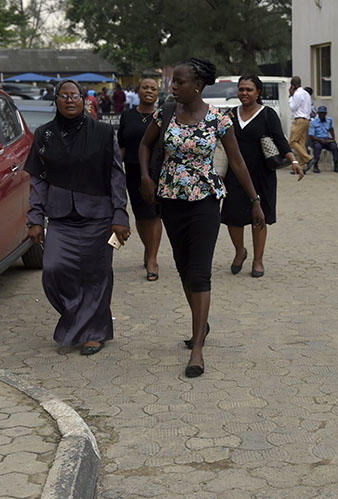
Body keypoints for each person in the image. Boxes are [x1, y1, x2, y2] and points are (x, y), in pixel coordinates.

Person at [138, 58, 264, 378]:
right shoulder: (165, 113)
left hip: (206, 201)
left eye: (179, 82)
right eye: (173, 82)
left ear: (197, 85)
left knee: (200, 272)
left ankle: (197, 347)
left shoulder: (219, 120)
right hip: (170, 200)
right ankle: (201, 322)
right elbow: (144, 145)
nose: (173, 87)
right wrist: (145, 177)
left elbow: (236, 163)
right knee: (183, 270)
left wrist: (255, 201)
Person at [24, 79, 130, 356]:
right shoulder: (44, 135)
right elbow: (38, 179)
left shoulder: (103, 133)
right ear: (56, 100)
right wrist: (35, 217)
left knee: (97, 275)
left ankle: (95, 333)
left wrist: (121, 214)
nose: (70, 100)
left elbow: (116, 176)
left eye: (75, 96)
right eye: (64, 96)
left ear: (84, 100)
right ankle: (78, 320)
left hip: (99, 217)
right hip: (60, 218)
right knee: (54, 270)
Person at [221, 75, 304, 279]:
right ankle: (240, 251)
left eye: (249, 90)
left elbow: (280, 140)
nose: (244, 93)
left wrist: (293, 161)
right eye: (241, 89)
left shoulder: (268, 114)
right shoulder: (230, 114)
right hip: (235, 174)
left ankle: (258, 260)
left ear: (258, 92)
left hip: (262, 174)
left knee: (259, 216)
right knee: (233, 217)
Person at [117, 78, 163, 281]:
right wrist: (116, 171)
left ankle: (152, 258)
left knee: (154, 214)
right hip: (133, 171)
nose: (149, 91)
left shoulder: (163, 116)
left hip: (156, 172)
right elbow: (122, 146)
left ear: (157, 93)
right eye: (145, 87)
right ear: (138, 91)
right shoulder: (127, 116)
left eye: (153, 88)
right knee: (141, 215)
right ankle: (148, 249)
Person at [288, 76, 313, 170]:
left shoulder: (297, 94)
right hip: (306, 119)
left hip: (300, 120)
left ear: (293, 86)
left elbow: (293, 107)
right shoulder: (306, 93)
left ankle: (308, 158)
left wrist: (290, 96)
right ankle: (302, 167)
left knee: (292, 142)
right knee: (300, 143)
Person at [308, 105, 338, 173]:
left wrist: (333, 138)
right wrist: (320, 140)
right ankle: (316, 166)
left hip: (326, 139)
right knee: (317, 147)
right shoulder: (313, 122)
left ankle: (336, 165)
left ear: (326, 113)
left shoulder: (329, 120)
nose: (322, 114)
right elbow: (311, 135)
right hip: (317, 140)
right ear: (318, 113)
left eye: (324, 113)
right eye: (321, 113)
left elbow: (331, 128)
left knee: (334, 146)